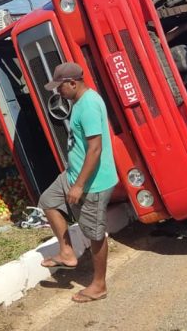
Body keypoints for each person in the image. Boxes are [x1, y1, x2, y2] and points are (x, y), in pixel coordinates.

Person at [37, 62, 117, 304]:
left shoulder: (89, 105)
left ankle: (99, 285)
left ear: (73, 83)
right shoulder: (79, 102)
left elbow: (95, 149)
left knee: (94, 234)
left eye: (60, 87)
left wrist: (79, 185)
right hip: (72, 174)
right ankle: (67, 253)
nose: (57, 92)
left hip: (92, 183)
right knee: (48, 201)